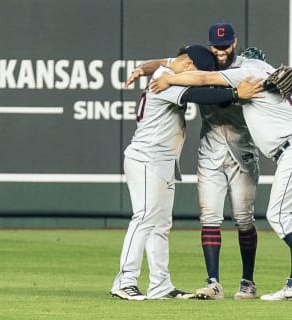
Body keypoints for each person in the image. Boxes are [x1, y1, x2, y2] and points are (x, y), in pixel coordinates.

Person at [150, 53, 292, 301]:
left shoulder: (247, 71)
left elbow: (204, 78)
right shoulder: (272, 77)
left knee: (279, 215)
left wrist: (171, 80)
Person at [110, 44, 262, 301]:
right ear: (190, 64)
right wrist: (236, 92)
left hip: (164, 161)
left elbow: (159, 61)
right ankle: (125, 280)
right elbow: (202, 95)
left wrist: (140, 68)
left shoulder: (169, 68)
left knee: (160, 225)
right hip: (146, 158)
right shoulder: (165, 79)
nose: (198, 75)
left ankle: (160, 285)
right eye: (198, 70)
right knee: (145, 217)